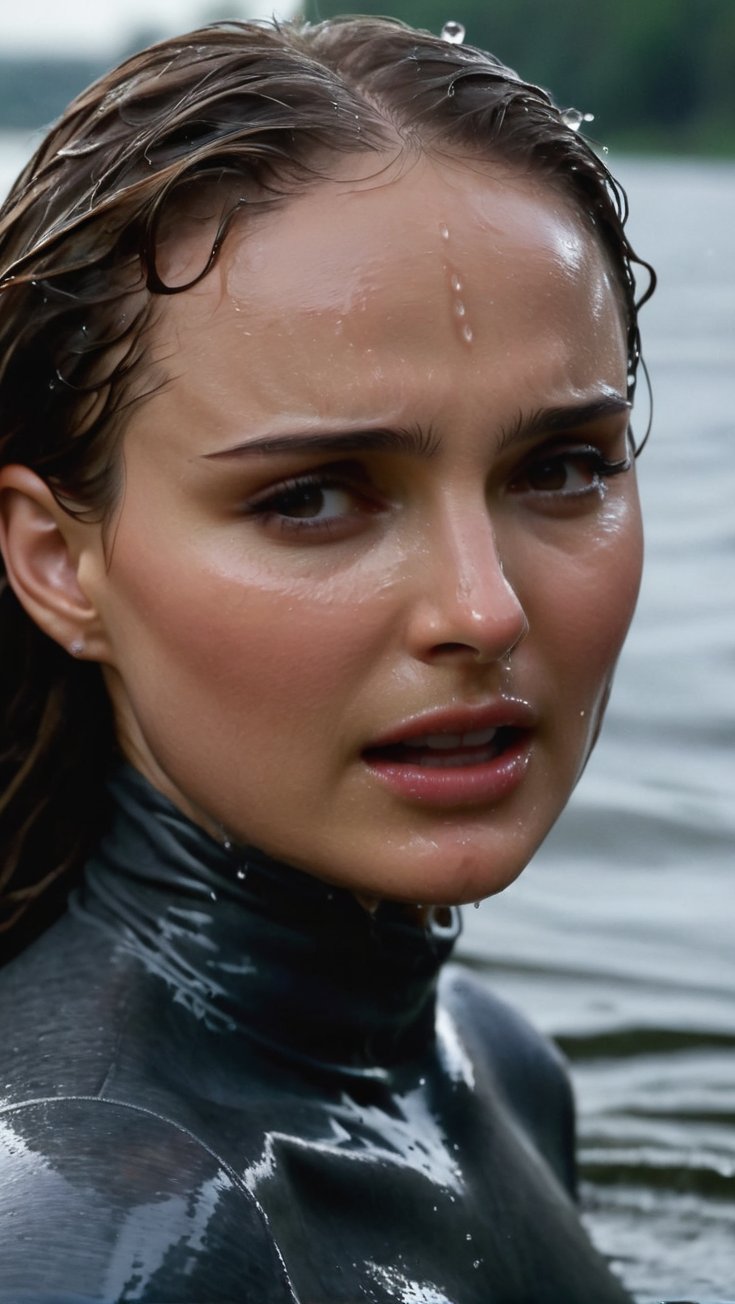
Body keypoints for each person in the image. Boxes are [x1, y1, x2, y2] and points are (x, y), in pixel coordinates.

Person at [0, 15, 654, 1303]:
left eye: (562, 468)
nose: (485, 609)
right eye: (312, 498)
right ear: (58, 562)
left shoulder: (502, 1071)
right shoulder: (99, 1231)